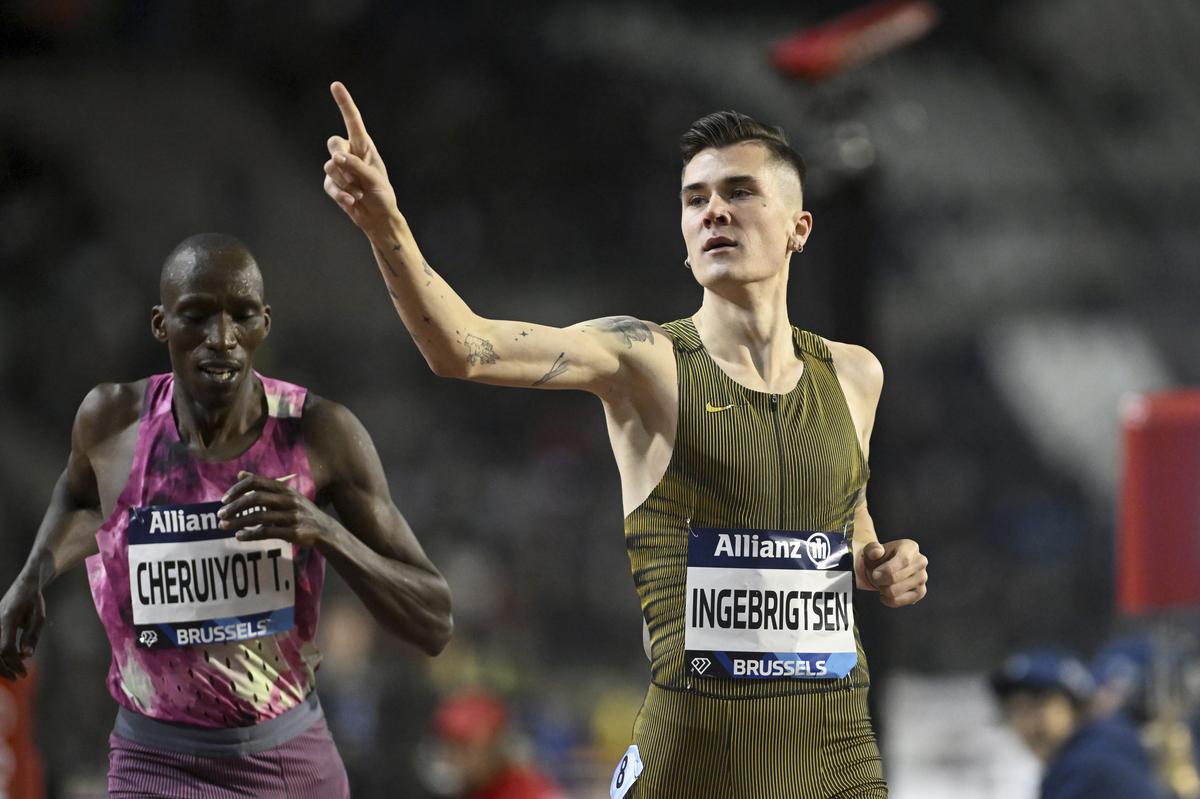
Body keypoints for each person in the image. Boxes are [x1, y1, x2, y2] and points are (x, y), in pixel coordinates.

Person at [321, 81, 928, 798]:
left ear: (799, 225)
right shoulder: (645, 360)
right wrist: (386, 224)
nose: (714, 212)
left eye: (738, 191)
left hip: (837, 759)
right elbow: (466, 347)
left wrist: (887, 563)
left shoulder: (856, 375)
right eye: (695, 198)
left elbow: (845, 528)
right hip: (697, 765)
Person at [0, 233, 453, 797]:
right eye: (197, 316)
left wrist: (326, 530)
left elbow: (435, 620)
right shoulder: (112, 421)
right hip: (152, 763)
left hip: (285, 764)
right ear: (161, 324)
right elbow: (81, 500)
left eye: (242, 317)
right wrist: (32, 573)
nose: (222, 339)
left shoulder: (319, 433)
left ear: (264, 324)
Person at [992, 649, 1168, 799]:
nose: (1027, 725)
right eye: (1015, 711)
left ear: (1075, 706)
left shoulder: (1086, 769)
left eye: (1037, 706)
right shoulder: (1107, 743)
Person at [424, 692, 566, 799]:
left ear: (496, 745)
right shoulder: (470, 791)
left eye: (464, 747)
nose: (455, 758)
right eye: (450, 747)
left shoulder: (533, 792)